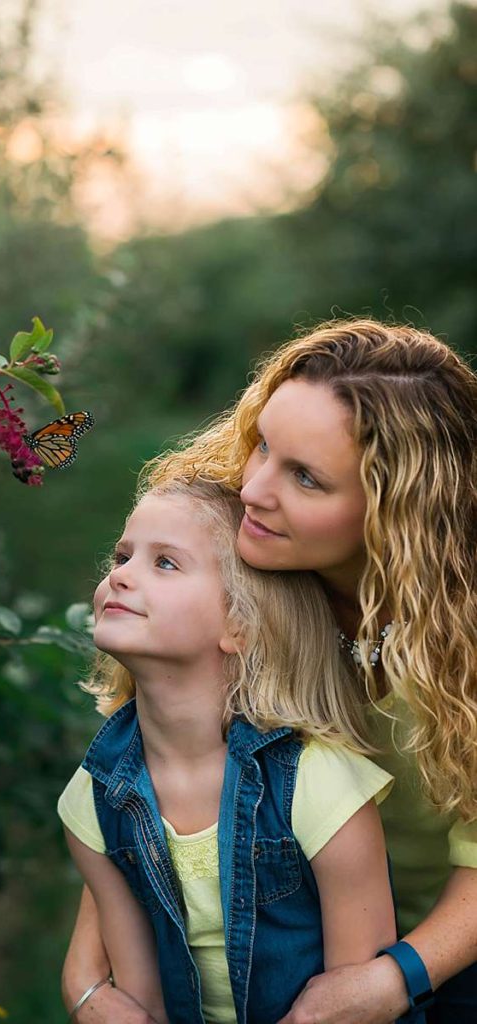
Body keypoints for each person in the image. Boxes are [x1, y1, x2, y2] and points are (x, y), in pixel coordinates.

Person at [61, 319, 477, 1024]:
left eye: (305, 477)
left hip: (434, 962)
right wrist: (87, 974)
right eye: (262, 444)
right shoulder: (249, 572)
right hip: (290, 955)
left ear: (393, 509)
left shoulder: (455, 635)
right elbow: (157, 773)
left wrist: (391, 980)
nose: (253, 487)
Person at [59, 477, 396, 1024]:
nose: (120, 575)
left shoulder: (321, 786)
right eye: (122, 556)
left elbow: (357, 1001)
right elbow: (142, 1002)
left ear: (238, 623)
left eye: (164, 563)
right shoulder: (92, 801)